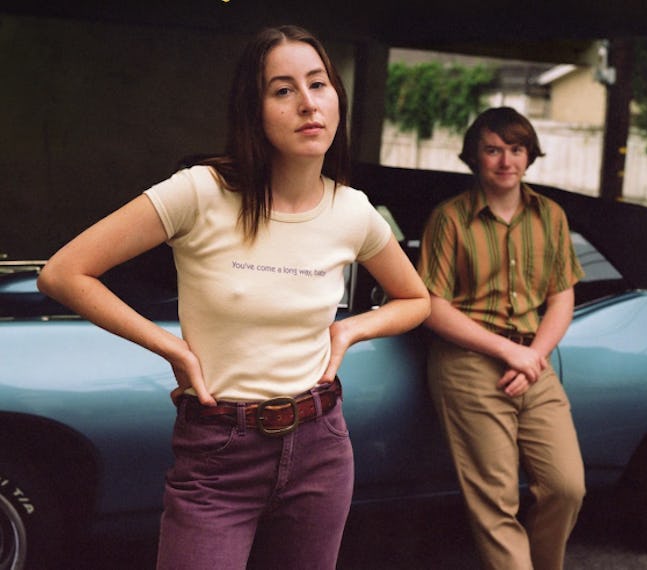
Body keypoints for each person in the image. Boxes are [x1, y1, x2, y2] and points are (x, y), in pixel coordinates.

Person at [38, 25, 430, 570]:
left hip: (320, 443)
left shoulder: (353, 211)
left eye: (318, 84)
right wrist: (173, 349)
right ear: (255, 108)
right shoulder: (200, 192)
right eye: (283, 90)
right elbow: (64, 273)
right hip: (218, 449)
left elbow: (416, 299)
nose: (307, 104)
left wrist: (350, 328)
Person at [418, 107, 585, 570]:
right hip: (468, 361)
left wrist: (532, 355)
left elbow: (561, 296)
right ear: (475, 157)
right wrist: (508, 350)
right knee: (495, 499)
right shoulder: (449, 219)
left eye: (516, 149)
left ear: (530, 155)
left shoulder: (550, 217)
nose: (505, 161)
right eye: (493, 150)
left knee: (567, 485)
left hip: (533, 361)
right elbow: (432, 305)